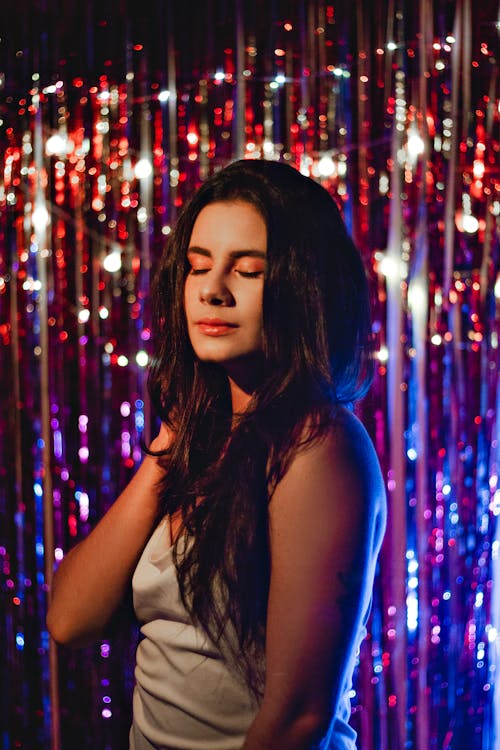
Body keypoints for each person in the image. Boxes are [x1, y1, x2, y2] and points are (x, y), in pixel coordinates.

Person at [47, 158, 387, 750]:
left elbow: (298, 719)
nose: (212, 289)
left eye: (248, 271)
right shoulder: (196, 438)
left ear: (301, 288)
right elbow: (71, 619)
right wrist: (169, 449)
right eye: (198, 266)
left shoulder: (318, 447)